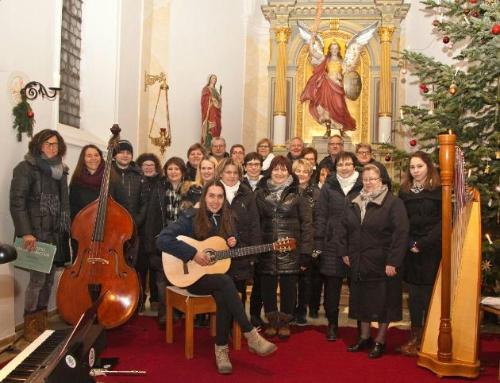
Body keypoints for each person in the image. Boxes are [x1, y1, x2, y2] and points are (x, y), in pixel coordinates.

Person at [156, 180, 277, 374]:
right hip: (192, 278)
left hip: (218, 277)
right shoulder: (191, 217)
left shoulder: (228, 218)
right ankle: (251, 335)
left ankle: (221, 351)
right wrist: (193, 253)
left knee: (223, 293)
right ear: (204, 198)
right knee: (225, 282)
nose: (216, 201)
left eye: (220, 196)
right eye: (211, 196)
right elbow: (162, 239)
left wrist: (233, 242)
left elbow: (229, 250)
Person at [339, 164, 409, 358]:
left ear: (382, 180)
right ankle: (364, 337)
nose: (368, 183)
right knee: (361, 301)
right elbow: (344, 228)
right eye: (365, 179)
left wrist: (393, 262)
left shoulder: (393, 203)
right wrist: (345, 251)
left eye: (373, 179)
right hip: (359, 260)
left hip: (383, 263)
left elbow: (401, 234)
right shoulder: (355, 200)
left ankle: (380, 340)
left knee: (384, 303)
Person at [10, 129, 71, 341]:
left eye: (55, 144)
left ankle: (42, 320)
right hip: (35, 234)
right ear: (38, 145)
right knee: (37, 281)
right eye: (47, 144)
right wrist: (26, 232)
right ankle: (30, 325)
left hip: (55, 234)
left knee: (49, 280)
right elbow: (17, 203)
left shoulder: (60, 171)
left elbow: (64, 204)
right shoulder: (26, 168)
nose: (51, 147)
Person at [255, 156, 313, 339]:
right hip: (266, 247)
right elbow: (255, 223)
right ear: (270, 171)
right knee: (267, 286)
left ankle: (286, 321)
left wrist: (305, 252)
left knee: (289, 286)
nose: (279, 173)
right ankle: (272, 320)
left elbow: (307, 224)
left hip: (291, 248)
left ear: (289, 172)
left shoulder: (298, 194)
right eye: (276, 169)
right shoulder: (260, 193)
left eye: (283, 170)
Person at [314, 152, 362, 341]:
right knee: (332, 287)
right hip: (331, 243)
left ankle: (361, 326)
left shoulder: (362, 184)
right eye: (340, 164)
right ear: (336, 167)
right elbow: (320, 215)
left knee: (357, 287)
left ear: (354, 165)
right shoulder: (329, 186)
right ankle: (332, 324)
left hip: (356, 243)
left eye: (348, 164)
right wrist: (319, 242)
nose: (344, 167)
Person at [398, 151, 441, 356]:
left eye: (419, 166)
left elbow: (443, 222)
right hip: (411, 248)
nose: (415, 171)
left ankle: (432, 336)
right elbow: (400, 219)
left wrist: (422, 243)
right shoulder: (405, 190)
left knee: (430, 293)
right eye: (412, 167)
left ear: (428, 167)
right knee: (414, 295)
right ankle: (415, 336)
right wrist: (409, 242)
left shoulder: (439, 189)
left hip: (431, 248)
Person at [144, 156, 190, 324]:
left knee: (180, 278)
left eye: (176, 169)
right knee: (162, 280)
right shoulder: (159, 189)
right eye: (170, 169)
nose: (173, 172)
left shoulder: (191, 189)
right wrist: (151, 244)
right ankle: (165, 314)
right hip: (163, 240)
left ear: (182, 171)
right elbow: (151, 217)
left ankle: (179, 311)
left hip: (184, 241)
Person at [218, 158, 261, 307]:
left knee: (239, 292)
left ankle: (238, 327)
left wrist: (253, 254)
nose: (231, 176)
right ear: (221, 174)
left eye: (235, 173)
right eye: (228, 172)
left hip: (242, 251)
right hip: (219, 251)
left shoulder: (247, 194)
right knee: (220, 291)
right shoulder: (214, 192)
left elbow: (254, 224)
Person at [300, 40, 356, 134]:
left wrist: (342, 76)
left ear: (338, 50)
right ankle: (328, 129)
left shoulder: (342, 61)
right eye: (332, 48)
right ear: (329, 50)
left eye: (336, 48)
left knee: (340, 107)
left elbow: (347, 73)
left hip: (338, 86)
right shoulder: (325, 59)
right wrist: (311, 39)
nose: (334, 50)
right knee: (326, 107)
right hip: (327, 85)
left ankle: (341, 129)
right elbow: (313, 52)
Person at [291, 159, 320, 326]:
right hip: (290, 242)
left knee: (305, 279)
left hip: (308, 241)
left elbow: (317, 220)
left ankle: (301, 310)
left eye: (305, 171)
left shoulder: (317, 193)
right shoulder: (288, 191)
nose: (301, 174)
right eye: (297, 171)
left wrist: (311, 245)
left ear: (310, 174)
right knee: (289, 279)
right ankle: (289, 309)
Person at [136, 152, 163, 311]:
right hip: (139, 230)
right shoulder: (137, 181)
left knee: (155, 267)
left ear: (156, 167)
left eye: (151, 165)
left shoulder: (161, 183)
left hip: (156, 230)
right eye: (145, 165)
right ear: (140, 167)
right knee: (140, 267)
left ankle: (155, 299)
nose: (148, 167)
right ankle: (139, 298)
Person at [112, 140, 146, 266]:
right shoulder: (107, 173)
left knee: (130, 263)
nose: (125, 155)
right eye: (121, 152)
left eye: (128, 153)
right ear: (115, 155)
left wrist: (137, 220)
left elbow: (144, 202)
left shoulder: (139, 175)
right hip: (112, 226)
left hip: (133, 226)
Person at [201, 74, 222, 148]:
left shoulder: (216, 90)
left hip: (216, 111)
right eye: (213, 78)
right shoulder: (206, 89)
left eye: (215, 79)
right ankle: (208, 146)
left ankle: (216, 145)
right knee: (211, 127)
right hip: (210, 112)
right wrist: (211, 99)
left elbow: (219, 102)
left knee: (217, 126)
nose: (214, 80)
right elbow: (204, 100)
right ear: (209, 79)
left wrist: (219, 99)